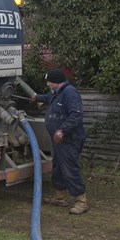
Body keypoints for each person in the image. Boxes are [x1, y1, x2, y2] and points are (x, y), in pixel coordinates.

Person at [30, 69, 89, 214]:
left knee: (69, 168)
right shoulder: (57, 93)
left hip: (69, 139)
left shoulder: (70, 93)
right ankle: (60, 197)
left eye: (49, 81)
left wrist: (62, 130)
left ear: (57, 82)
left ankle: (81, 201)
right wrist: (37, 98)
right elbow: (48, 97)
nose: (47, 83)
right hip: (58, 140)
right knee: (57, 166)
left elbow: (76, 115)